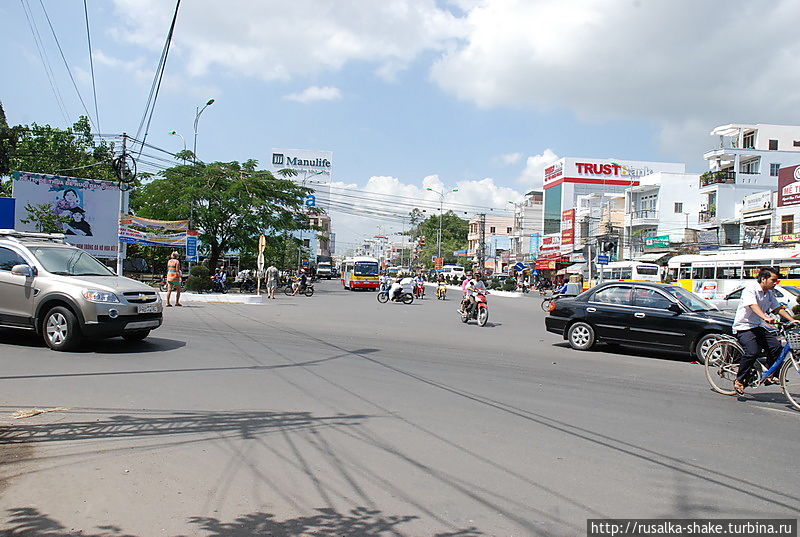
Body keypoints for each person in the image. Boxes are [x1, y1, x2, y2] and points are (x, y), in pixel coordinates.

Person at [732, 267, 800, 394]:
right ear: (763, 279)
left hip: (757, 326)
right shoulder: (750, 289)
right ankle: (739, 380)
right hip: (744, 327)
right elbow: (753, 306)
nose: (775, 283)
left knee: (776, 347)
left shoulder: (769, 293)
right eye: (773, 280)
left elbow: (777, 308)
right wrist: (765, 317)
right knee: (753, 352)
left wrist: (792, 320)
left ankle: (769, 374)